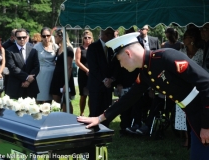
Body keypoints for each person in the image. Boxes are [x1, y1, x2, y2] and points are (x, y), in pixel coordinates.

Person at [78, 32, 209, 160]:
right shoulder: (146, 73)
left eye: (120, 60)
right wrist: (100, 118)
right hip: (195, 115)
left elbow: (206, 84)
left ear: (128, 54)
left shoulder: (166, 57)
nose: (121, 65)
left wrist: (206, 125)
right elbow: (129, 98)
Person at [175, 28, 203, 147]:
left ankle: (194, 135)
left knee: (194, 112)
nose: (183, 39)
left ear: (192, 39)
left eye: (185, 36)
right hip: (183, 86)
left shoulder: (201, 52)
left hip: (196, 87)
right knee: (182, 112)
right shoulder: (181, 51)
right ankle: (187, 138)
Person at [86, 28, 117, 127]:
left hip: (107, 86)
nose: (114, 38)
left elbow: (115, 66)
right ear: (106, 35)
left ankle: (104, 132)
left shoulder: (113, 48)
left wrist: (111, 79)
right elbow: (93, 67)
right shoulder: (93, 47)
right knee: (95, 110)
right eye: (113, 35)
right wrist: (104, 79)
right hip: (96, 86)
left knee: (106, 111)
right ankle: (94, 133)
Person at [6, 28, 40, 99]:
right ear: (15, 38)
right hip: (16, 87)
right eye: (19, 38)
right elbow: (12, 67)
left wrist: (29, 81)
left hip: (31, 87)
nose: (22, 39)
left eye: (24, 37)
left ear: (27, 37)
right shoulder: (9, 51)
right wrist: (27, 77)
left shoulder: (33, 50)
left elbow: (36, 66)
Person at [50, 29, 75, 113]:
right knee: (56, 99)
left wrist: (66, 83)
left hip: (64, 77)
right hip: (57, 77)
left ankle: (69, 119)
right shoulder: (59, 48)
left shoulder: (68, 50)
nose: (55, 38)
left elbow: (69, 67)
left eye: (56, 36)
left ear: (61, 37)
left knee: (66, 101)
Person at [34, 27, 57, 103]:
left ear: (51, 36)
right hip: (41, 74)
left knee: (51, 97)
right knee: (40, 96)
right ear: (41, 37)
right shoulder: (36, 47)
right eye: (44, 36)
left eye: (48, 35)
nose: (46, 38)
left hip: (53, 74)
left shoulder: (55, 47)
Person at [75, 30, 94, 116]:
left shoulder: (94, 48)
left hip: (93, 75)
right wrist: (87, 70)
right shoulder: (80, 49)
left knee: (91, 95)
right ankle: (82, 113)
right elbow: (77, 62)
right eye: (85, 38)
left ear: (91, 38)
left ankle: (91, 113)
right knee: (83, 95)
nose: (87, 39)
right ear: (83, 39)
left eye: (89, 38)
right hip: (83, 75)